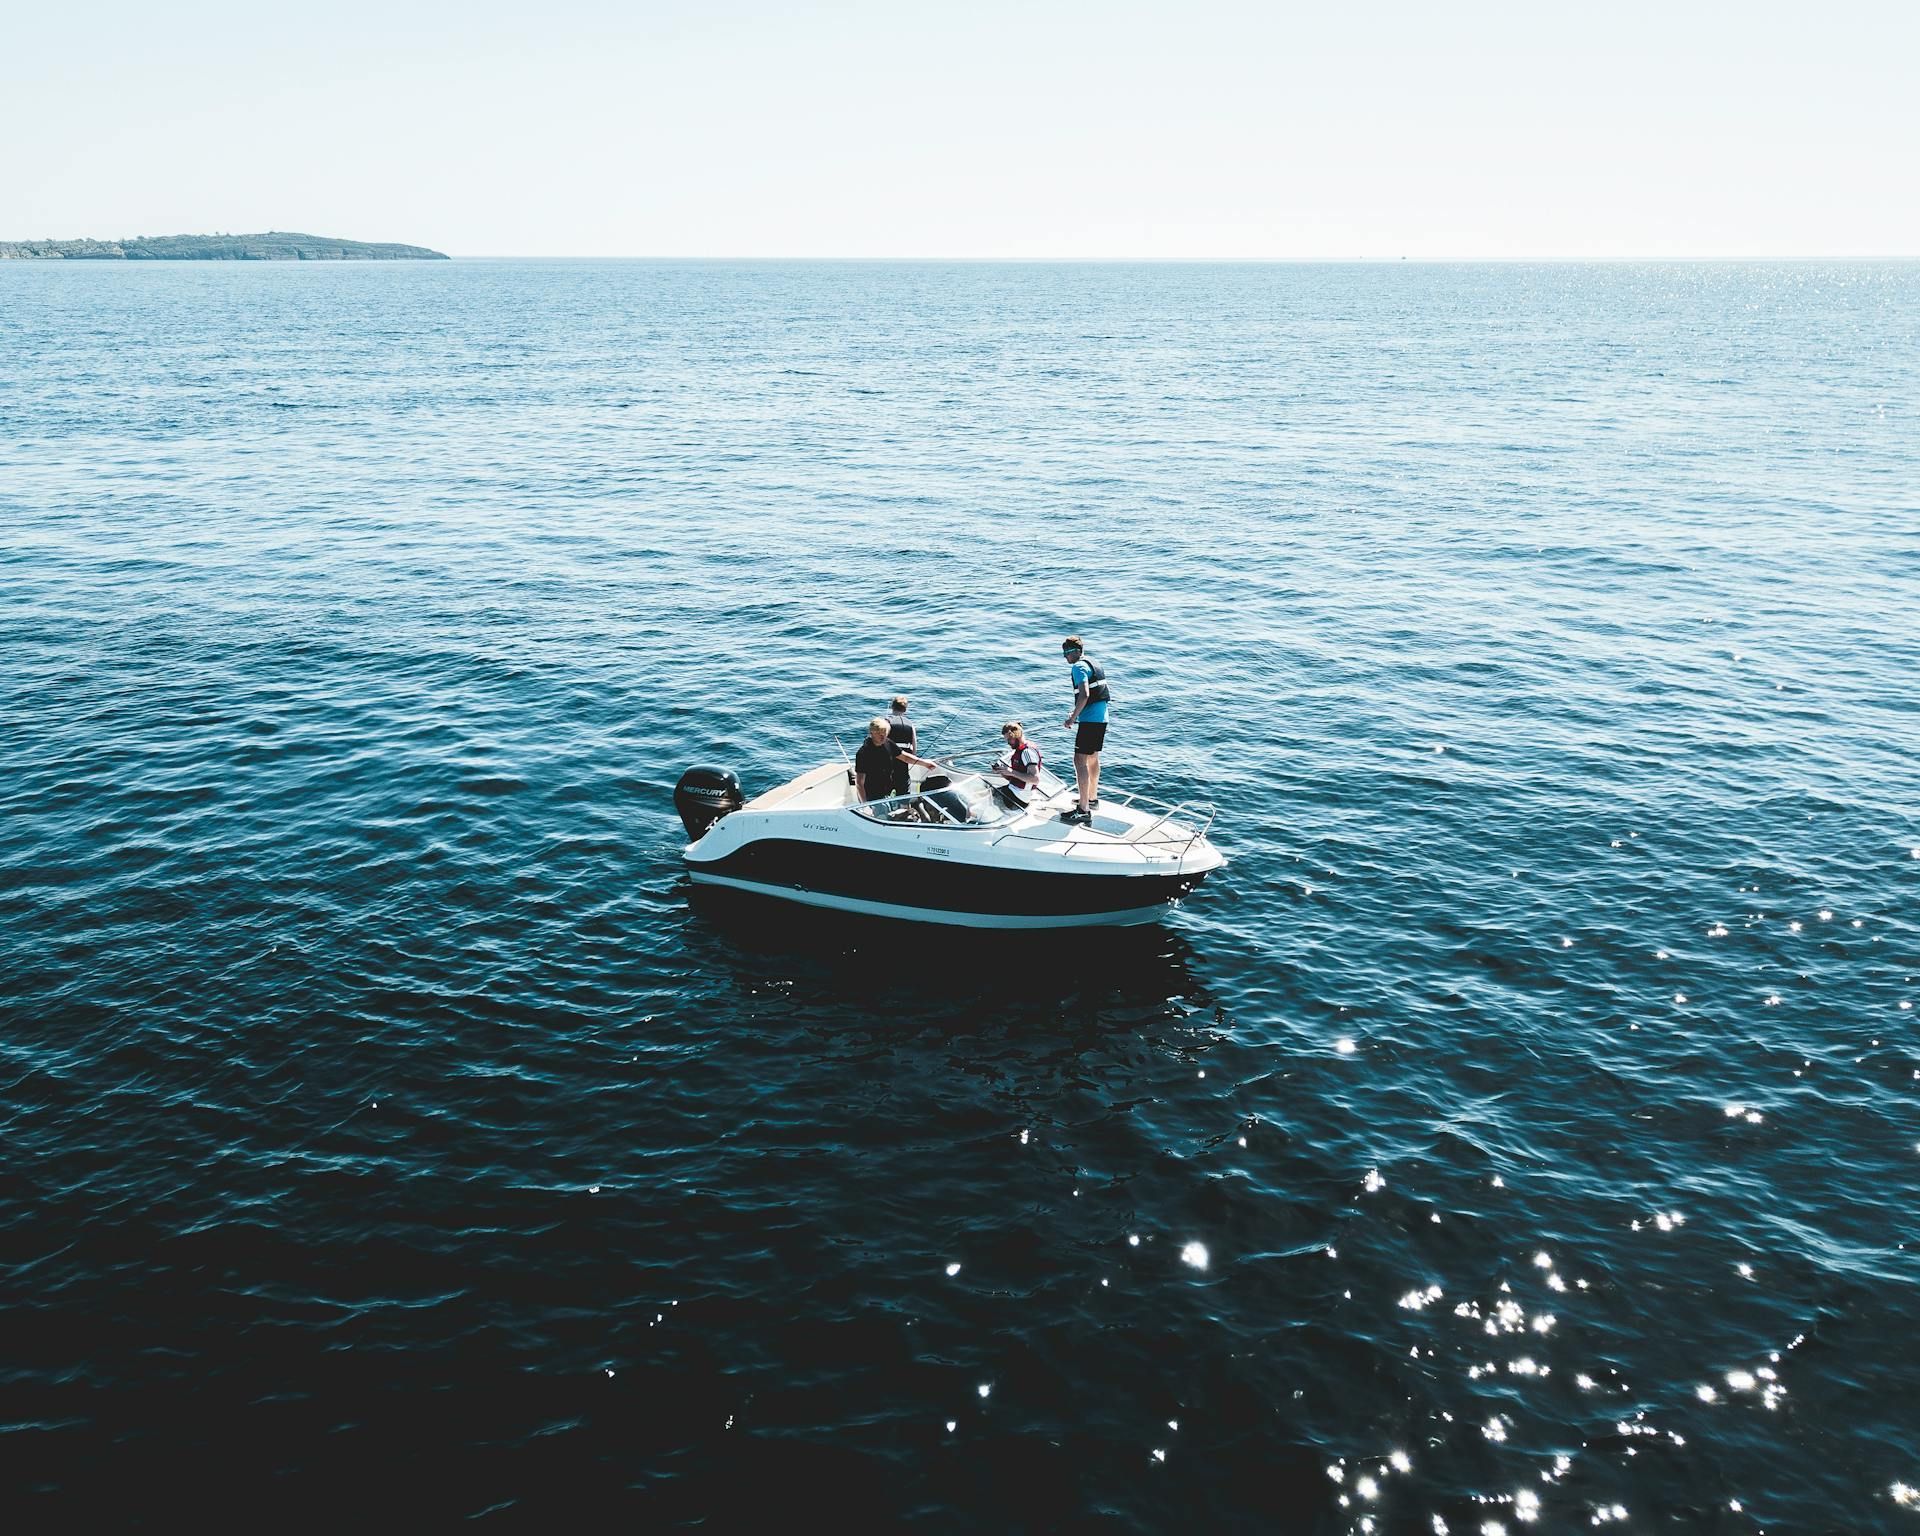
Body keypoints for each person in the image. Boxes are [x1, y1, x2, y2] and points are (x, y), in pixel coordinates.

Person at [1060, 635, 1110, 824]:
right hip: (1101, 718)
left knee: (1079, 760)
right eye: (1064, 653)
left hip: (1090, 721)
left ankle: (1083, 809)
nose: (1066, 657)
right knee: (1093, 757)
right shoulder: (1093, 662)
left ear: (1077, 652)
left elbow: (1084, 694)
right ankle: (1091, 799)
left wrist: (1072, 718)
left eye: (1068, 653)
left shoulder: (1078, 667)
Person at [854, 716, 935, 803]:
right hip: (872, 795)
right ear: (872, 733)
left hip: (887, 791)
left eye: (885, 733)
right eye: (879, 734)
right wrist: (864, 804)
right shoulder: (863, 753)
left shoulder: (888, 743)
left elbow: (904, 757)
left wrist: (925, 763)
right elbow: (859, 782)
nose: (883, 737)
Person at [993, 720, 1044, 808]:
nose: (1008, 743)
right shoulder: (1020, 750)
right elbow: (1018, 778)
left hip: (1019, 798)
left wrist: (1011, 772)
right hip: (1014, 791)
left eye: (1009, 740)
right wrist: (1004, 773)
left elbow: (1035, 779)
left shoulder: (1027, 752)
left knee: (976, 800)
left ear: (1016, 735)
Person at [885, 695, 918, 797]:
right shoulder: (910, 724)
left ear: (892, 707)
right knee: (903, 796)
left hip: (887, 767)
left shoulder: (886, 722)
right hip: (903, 768)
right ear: (905, 709)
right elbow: (914, 750)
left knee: (883, 794)